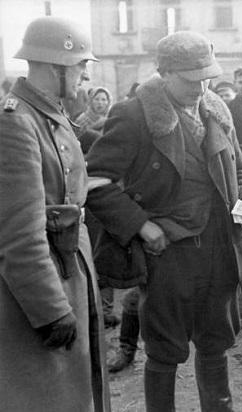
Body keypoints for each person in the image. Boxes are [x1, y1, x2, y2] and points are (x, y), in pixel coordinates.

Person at [85, 31, 242, 411]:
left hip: (220, 249)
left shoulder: (217, 109)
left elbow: (241, 169)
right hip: (169, 256)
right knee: (165, 351)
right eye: (189, 79)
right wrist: (142, 226)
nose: (200, 88)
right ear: (162, 73)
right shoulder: (134, 115)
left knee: (216, 344)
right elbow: (95, 182)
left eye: (206, 78)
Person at [0, 16, 109, 411]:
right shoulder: (16, 122)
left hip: (68, 269)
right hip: (44, 284)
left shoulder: (48, 113)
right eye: (80, 65)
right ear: (54, 65)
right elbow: (19, 232)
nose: (85, 74)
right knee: (48, 395)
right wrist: (49, 310)